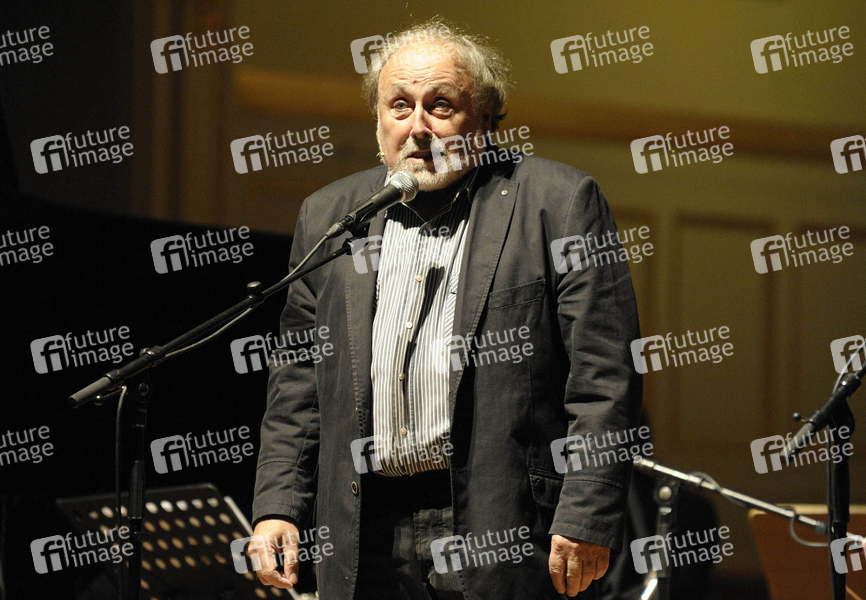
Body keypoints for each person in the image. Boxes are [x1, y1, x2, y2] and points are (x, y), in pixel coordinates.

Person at [249, 18, 642, 600]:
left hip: (499, 521)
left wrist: (587, 514)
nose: (418, 127)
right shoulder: (330, 216)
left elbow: (604, 377)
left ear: (483, 118)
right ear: (378, 120)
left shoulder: (557, 203)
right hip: (363, 528)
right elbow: (298, 383)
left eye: (440, 105)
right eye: (399, 106)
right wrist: (278, 505)